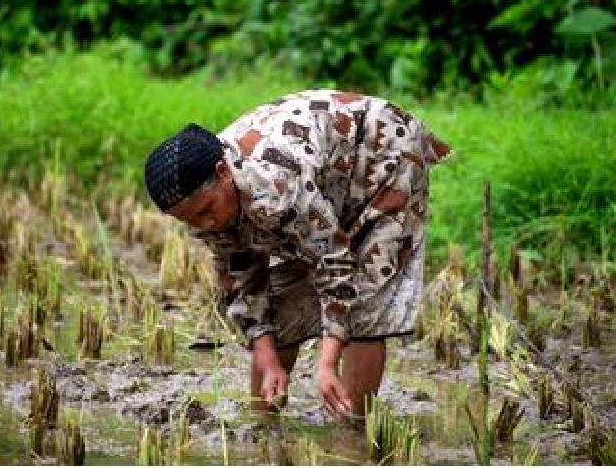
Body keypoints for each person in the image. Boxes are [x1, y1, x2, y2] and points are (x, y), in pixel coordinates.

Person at [144, 89, 450, 418]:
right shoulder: (206, 207)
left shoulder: (275, 188)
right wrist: (266, 355)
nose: (207, 223)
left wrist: (327, 362)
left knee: (365, 300)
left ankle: (354, 431)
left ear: (223, 173)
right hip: (328, 174)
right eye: (190, 219)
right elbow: (241, 275)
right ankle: (262, 428)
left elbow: (333, 262)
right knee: (277, 306)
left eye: (207, 210)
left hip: (384, 155)